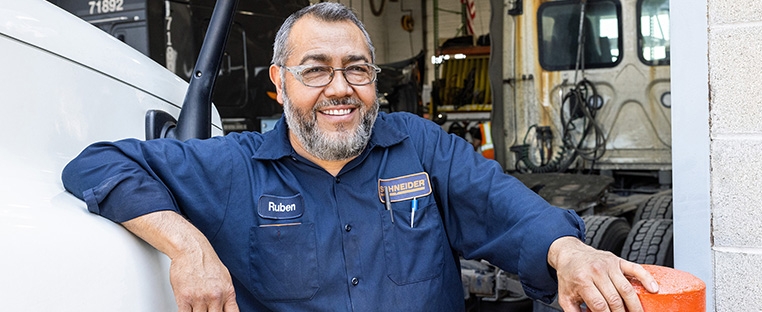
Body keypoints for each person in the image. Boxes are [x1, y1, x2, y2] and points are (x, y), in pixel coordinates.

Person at [62, 3, 657, 312]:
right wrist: (188, 248)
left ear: (375, 80)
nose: (339, 88)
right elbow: (96, 164)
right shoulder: (234, 166)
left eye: (356, 70)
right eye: (315, 70)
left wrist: (572, 250)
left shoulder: (419, 147)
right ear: (278, 83)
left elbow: (510, 210)